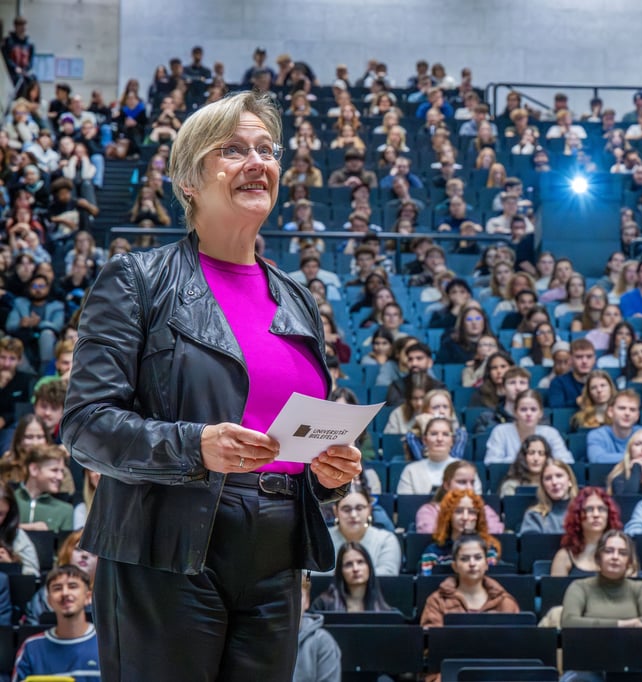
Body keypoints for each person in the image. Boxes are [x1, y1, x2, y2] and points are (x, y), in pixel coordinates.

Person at [60, 92, 363, 680]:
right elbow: (86, 425)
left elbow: (299, 435)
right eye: (232, 150)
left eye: (265, 149)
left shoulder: (299, 298)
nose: (256, 162)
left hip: (277, 557)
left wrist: (327, 474)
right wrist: (193, 446)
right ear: (188, 179)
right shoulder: (137, 280)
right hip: (166, 548)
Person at [560, 531, 642, 682]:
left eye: (622, 553)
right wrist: (621, 624)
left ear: (629, 561)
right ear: (598, 557)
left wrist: (594, 626)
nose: (615, 557)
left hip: (635, 663)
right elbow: (569, 623)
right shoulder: (580, 587)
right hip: (587, 664)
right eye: (608, 551)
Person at [13, 565, 100, 682]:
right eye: (57, 588)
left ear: (88, 597)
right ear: (49, 601)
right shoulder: (32, 648)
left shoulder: (108, 643)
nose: (65, 593)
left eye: (72, 586)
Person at [420, 533, 519, 626]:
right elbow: (429, 641)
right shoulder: (437, 601)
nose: (472, 563)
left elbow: (518, 641)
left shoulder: (505, 602)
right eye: (464, 559)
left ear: (486, 564)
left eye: (478, 557)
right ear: (455, 566)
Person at [321, 486, 401, 577]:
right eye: (346, 509)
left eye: (359, 508)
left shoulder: (386, 540)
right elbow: (307, 574)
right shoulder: (321, 540)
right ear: (336, 511)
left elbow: (388, 574)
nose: (353, 515)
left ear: (369, 510)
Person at [419, 490, 501, 574]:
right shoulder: (433, 552)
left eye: (471, 512)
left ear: (478, 517)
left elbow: (488, 582)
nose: (465, 517)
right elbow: (426, 584)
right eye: (458, 511)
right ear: (448, 515)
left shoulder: (488, 549)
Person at [483, 390, 573, 464]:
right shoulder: (500, 431)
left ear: (541, 413)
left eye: (533, 410)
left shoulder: (550, 433)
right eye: (523, 409)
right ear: (515, 412)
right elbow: (491, 462)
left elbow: (567, 461)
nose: (528, 414)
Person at [552, 488, 622, 577]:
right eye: (589, 509)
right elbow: (554, 590)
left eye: (601, 509)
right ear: (577, 516)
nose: (596, 514)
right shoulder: (564, 557)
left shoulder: (622, 554)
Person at [416, 460, 500, 534]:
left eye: (472, 483)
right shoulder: (429, 511)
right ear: (446, 485)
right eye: (462, 482)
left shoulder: (484, 510)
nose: (469, 488)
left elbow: (496, 535)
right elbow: (431, 537)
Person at [311, 541, 394, 613]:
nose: (355, 569)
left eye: (360, 562)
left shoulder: (386, 606)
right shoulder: (322, 604)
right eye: (348, 564)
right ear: (340, 571)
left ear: (369, 567)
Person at [292, 576, 342, 682]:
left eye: (297, 596)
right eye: (284, 597)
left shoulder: (322, 641)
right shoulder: (262, 639)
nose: (291, 603)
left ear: (307, 601)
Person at [15, 445, 73, 532]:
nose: (60, 477)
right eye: (54, 470)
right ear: (34, 469)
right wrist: (28, 528)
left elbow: (66, 545)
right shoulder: (8, 502)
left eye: (62, 471)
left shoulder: (65, 510)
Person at [520, 459, 579, 534]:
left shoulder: (584, 512)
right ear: (543, 485)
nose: (554, 482)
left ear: (569, 481)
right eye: (548, 478)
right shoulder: (534, 516)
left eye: (559, 476)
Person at [586, 391, 642, 464]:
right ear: (610, 412)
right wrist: (634, 457)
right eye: (622, 408)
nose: (627, 413)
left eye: (632, 410)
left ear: (637, 416)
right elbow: (597, 459)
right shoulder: (597, 435)